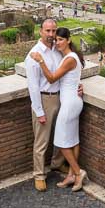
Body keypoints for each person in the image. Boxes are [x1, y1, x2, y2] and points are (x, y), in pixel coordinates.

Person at [30, 28, 87, 192]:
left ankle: (78, 172)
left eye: (61, 39)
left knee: (61, 142)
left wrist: (41, 61)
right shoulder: (70, 57)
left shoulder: (69, 58)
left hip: (69, 103)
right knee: (73, 139)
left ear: (68, 40)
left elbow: (52, 77)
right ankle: (70, 175)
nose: (57, 42)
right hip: (73, 101)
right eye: (56, 40)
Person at [25, 19, 68, 192]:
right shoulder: (34, 54)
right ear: (40, 31)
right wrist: (39, 110)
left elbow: (62, 73)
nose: (51, 35)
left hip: (60, 97)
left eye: (53, 31)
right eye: (48, 31)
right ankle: (39, 175)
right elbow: (33, 86)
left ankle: (57, 164)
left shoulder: (58, 50)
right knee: (41, 141)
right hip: (44, 99)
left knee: (61, 134)